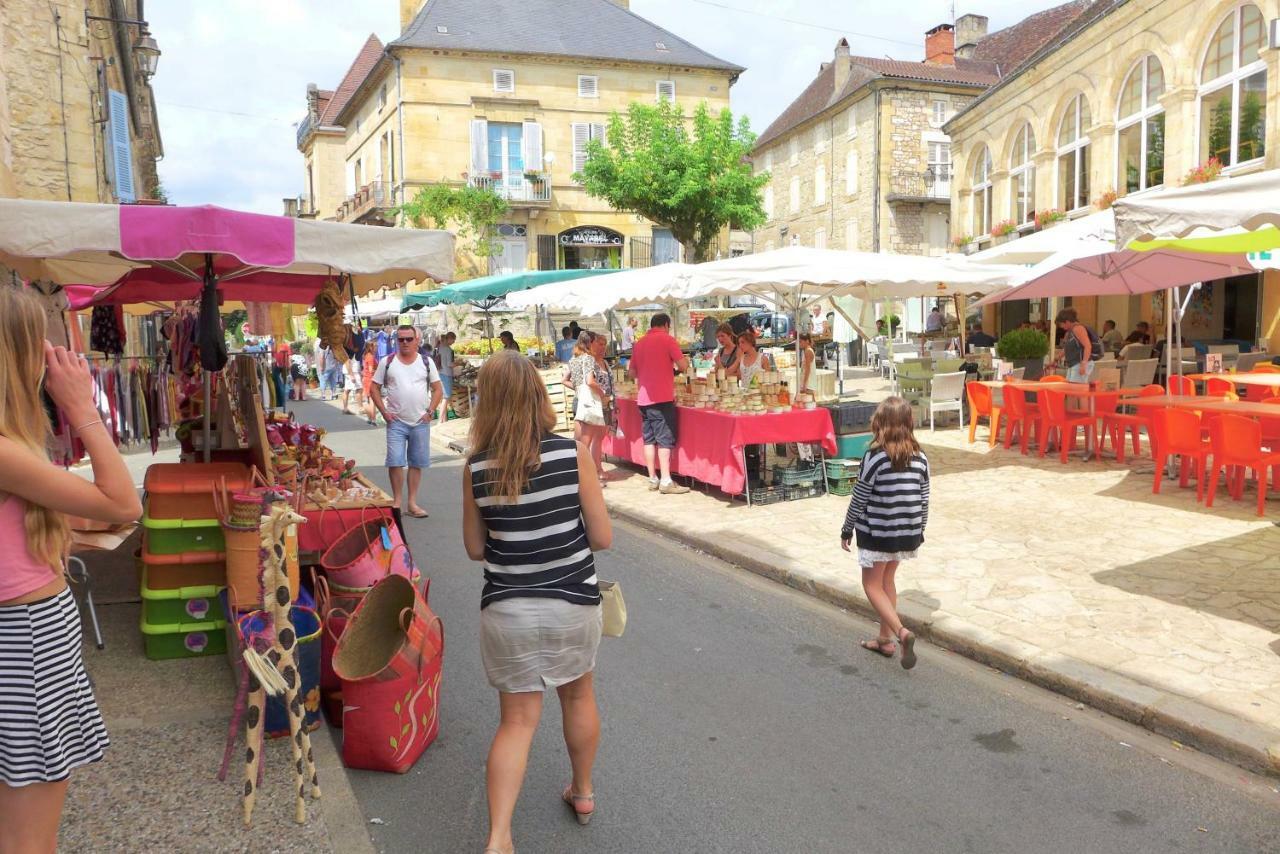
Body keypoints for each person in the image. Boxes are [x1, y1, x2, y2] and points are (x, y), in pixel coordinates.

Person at [0, 288, 142, 852]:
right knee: (29, 834)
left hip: (25, 632)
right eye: (40, 339)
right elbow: (124, 503)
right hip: (28, 636)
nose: (51, 351)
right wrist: (83, 410)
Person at [462, 352, 612, 854]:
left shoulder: (476, 467)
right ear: (538, 394)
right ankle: (583, 792)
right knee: (578, 695)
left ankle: (499, 836)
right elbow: (604, 536)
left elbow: (475, 548)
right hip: (573, 599)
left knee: (517, 721)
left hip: (507, 606)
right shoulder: (573, 455)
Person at [840, 396, 927, 671]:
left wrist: (847, 527)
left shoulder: (875, 456)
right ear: (909, 424)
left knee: (871, 585)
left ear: (879, 423)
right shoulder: (920, 457)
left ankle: (900, 633)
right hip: (907, 531)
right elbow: (925, 498)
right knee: (887, 579)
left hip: (879, 531)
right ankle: (884, 640)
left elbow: (860, 496)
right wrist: (920, 529)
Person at [371, 325, 444, 519]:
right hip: (396, 421)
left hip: (420, 421)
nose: (404, 343)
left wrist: (430, 412)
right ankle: (397, 501)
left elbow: (438, 389)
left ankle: (412, 503)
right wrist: (384, 412)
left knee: (416, 463)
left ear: (417, 341)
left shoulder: (426, 362)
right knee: (395, 462)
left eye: (408, 339)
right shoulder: (387, 362)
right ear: (396, 340)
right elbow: (373, 388)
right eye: (401, 339)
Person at [627, 313, 690, 494]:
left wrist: (648, 372)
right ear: (666, 325)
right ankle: (666, 481)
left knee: (648, 439)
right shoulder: (668, 340)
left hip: (643, 399)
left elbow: (631, 373)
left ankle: (653, 478)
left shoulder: (639, 343)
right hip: (661, 398)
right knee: (664, 440)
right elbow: (683, 365)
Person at [568, 332, 609, 486]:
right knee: (586, 442)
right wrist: (602, 393)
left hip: (579, 400)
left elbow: (570, 380)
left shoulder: (574, 359)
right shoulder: (588, 358)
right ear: (590, 343)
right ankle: (586, 477)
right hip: (589, 403)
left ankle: (578, 475)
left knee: (580, 442)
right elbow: (590, 381)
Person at [1056, 307, 1101, 383]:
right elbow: (1066, 348)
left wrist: (1084, 364)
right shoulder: (1071, 331)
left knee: (1075, 390)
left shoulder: (1078, 329)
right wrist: (1056, 359)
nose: (1062, 327)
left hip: (1079, 364)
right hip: (1074, 364)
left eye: (1061, 325)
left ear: (1067, 322)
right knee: (1070, 389)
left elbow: (1088, 346)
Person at [436, 331, 456, 425]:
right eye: (453, 340)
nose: (454, 342)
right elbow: (450, 364)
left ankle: (444, 419)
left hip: (440, 373)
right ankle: (440, 420)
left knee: (444, 396)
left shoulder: (440, 347)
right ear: (450, 339)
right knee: (446, 397)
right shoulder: (448, 350)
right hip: (446, 374)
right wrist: (459, 363)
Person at [361, 341, 379, 425]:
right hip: (370, 380)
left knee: (367, 400)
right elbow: (371, 370)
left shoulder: (366, 356)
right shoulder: (370, 357)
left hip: (366, 379)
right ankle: (373, 419)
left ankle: (369, 418)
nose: (377, 348)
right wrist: (379, 370)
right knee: (372, 400)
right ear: (371, 347)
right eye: (375, 346)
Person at [340, 346, 362, 415]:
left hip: (350, 371)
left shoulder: (348, 351)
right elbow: (347, 362)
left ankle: (345, 408)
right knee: (359, 389)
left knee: (347, 390)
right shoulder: (349, 352)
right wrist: (352, 375)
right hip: (352, 372)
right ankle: (361, 408)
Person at [272, 338, 291, 411]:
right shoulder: (275, 346)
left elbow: (288, 356)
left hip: (283, 365)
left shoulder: (284, 346)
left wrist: (289, 365)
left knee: (282, 381)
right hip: (279, 365)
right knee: (280, 381)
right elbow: (273, 357)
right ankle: (282, 397)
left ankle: (283, 397)